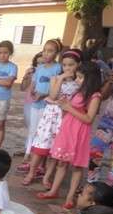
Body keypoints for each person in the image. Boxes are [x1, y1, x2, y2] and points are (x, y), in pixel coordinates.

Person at [37, 62, 103, 209]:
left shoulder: (95, 96)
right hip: (67, 128)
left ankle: (69, 197)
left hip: (79, 132)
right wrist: (65, 105)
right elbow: (71, 108)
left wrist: (68, 108)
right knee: (61, 162)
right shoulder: (78, 91)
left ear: (90, 78)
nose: (77, 80)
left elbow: (89, 118)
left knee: (77, 166)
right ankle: (54, 190)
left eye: (80, 77)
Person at [22, 49, 82, 187]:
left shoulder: (79, 83)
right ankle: (31, 172)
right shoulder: (55, 78)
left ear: (78, 65)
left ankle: (47, 176)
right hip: (49, 117)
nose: (67, 68)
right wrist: (61, 78)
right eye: (65, 65)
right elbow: (53, 95)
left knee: (55, 149)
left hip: (65, 118)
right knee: (40, 146)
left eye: (71, 65)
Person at [18, 39, 63, 173]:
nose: (46, 54)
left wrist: (43, 95)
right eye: (45, 50)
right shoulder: (41, 68)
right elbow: (34, 82)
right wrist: (32, 91)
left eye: (50, 51)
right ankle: (31, 159)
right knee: (33, 131)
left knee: (45, 134)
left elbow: (58, 88)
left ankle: (41, 164)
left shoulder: (58, 68)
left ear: (57, 53)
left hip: (48, 107)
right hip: (35, 105)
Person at [88, 56, 113, 186]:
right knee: (94, 153)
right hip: (106, 124)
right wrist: (111, 81)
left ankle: (107, 189)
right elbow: (103, 96)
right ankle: (91, 185)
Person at [18, 52, 44, 167]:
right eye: (38, 63)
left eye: (42, 63)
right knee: (31, 128)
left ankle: (31, 153)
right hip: (29, 103)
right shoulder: (32, 72)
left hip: (43, 105)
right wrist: (26, 76)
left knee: (39, 129)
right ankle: (29, 149)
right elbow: (22, 87)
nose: (40, 66)